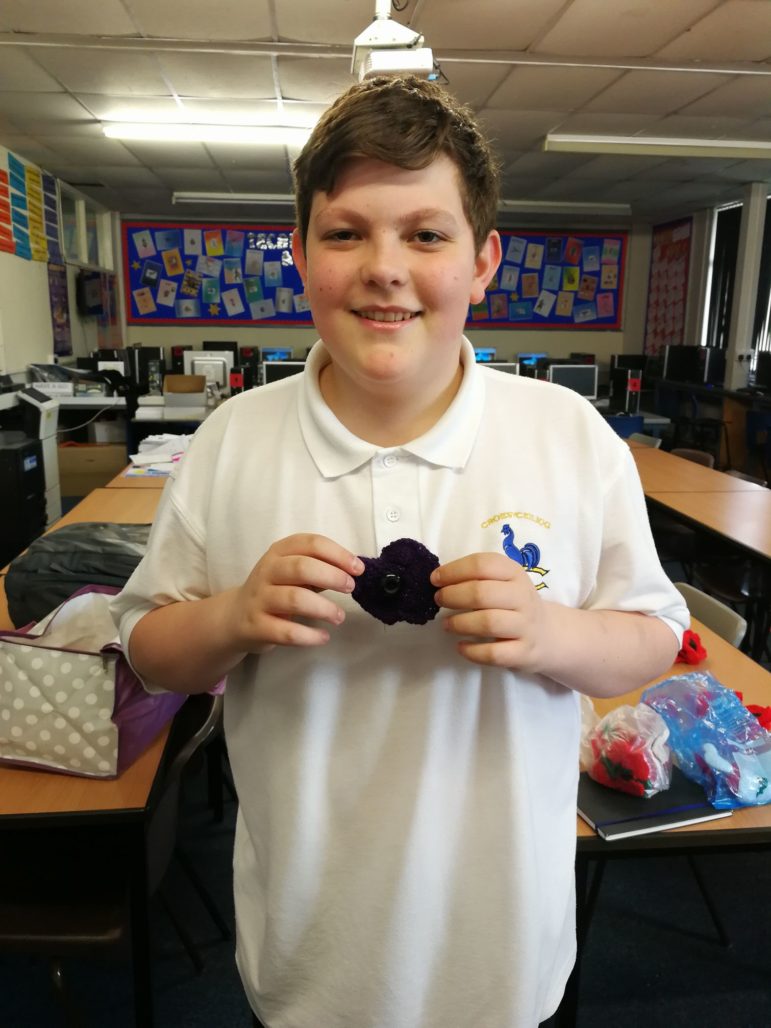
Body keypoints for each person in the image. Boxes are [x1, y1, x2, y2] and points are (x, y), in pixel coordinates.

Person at [111, 76, 689, 1028]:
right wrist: (228, 620)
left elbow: (651, 637)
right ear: (301, 256)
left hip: (501, 947)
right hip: (309, 946)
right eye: (346, 233)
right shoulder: (233, 440)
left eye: (426, 234)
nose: (385, 267)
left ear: (482, 260)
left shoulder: (568, 435)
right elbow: (147, 645)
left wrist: (548, 633)